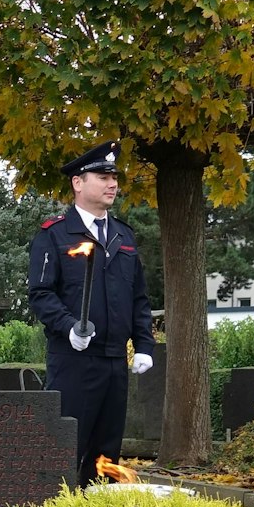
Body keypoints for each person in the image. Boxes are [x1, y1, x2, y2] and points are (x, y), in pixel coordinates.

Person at [27, 140, 156, 485]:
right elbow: (40, 293)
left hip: (114, 360)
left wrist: (144, 343)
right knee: (64, 448)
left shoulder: (123, 236)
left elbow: (138, 297)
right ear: (78, 182)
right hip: (73, 360)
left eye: (114, 177)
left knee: (106, 454)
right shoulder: (55, 234)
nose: (112, 184)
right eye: (102, 176)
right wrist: (70, 327)